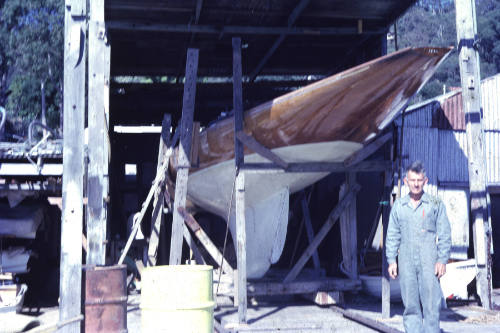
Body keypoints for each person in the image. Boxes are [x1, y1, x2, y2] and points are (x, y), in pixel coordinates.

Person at [386, 160, 451, 333]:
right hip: (406, 260)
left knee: (431, 304)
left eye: (419, 180)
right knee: (410, 304)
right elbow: (392, 234)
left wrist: (442, 260)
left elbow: (444, 234)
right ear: (406, 181)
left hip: (429, 260)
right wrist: (392, 260)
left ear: (426, 181)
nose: (416, 184)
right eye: (412, 180)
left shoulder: (436, 204)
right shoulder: (399, 206)